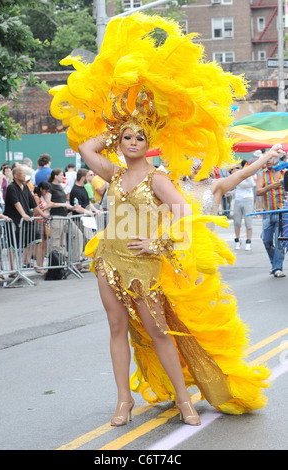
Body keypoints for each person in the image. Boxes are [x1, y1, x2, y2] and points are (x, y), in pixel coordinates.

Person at [50, 12, 271, 427]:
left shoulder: (158, 178)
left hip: (143, 262)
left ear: (150, 144)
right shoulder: (113, 172)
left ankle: (186, 401)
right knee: (117, 330)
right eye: (127, 137)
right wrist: (116, 126)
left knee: (158, 333)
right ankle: (122, 401)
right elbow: (86, 150)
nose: (132, 142)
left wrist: (159, 245)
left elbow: (185, 215)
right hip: (108, 260)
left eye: (139, 137)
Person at [4, 167, 49, 274]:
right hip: (14, 220)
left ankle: (32, 263)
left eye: (25, 174)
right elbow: (16, 203)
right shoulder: (11, 187)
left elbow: (33, 204)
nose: (24, 176)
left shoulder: (25, 186)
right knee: (13, 245)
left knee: (37, 239)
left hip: (26, 220)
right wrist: (23, 214)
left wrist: (43, 214)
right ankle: (12, 270)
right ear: (15, 176)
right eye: (22, 174)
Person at [256, 155, 286, 277]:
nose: (267, 162)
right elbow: (258, 191)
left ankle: (277, 268)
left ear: (276, 160)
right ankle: (275, 264)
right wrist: (270, 187)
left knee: (280, 242)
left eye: (270, 159)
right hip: (267, 212)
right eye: (266, 159)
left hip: (283, 213)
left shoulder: (285, 172)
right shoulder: (262, 174)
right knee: (266, 240)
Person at [231, 162, 255, 250]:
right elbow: (237, 189)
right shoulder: (234, 177)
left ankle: (248, 241)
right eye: (232, 170)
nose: (232, 171)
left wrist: (238, 182)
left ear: (238, 169)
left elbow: (251, 184)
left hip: (248, 200)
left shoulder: (246, 175)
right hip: (238, 200)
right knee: (237, 222)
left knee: (248, 222)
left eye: (234, 169)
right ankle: (237, 240)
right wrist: (230, 193)